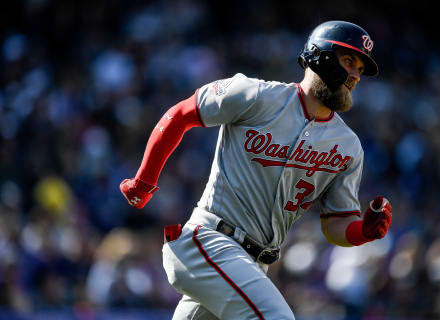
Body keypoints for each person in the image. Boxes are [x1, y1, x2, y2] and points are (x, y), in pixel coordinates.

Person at [120, 20, 393, 320]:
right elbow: (181, 114)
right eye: (349, 61)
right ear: (320, 55)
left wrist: (363, 232)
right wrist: (144, 181)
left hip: (252, 266)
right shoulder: (257, 96)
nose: (355, 74)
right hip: (210, 242)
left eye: (361, 69)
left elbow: (336, 225)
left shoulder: (348, 147)